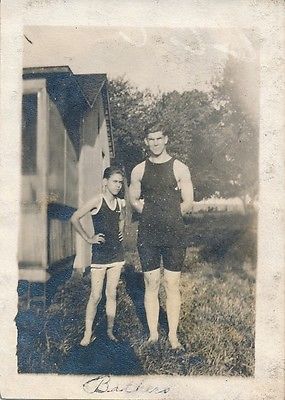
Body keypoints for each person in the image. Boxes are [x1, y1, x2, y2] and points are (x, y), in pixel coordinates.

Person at [129, 126, 193, 349]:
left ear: (166, 139)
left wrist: (171, 217)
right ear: (146, 141)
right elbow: (134, 199)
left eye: (159, 138)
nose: (155, 143)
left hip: (174, 233)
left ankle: (173, 336)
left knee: (172, 283)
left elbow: (188, 202)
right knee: (151, 282)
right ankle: (154, 334)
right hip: (148, 234)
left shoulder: (179, 167)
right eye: (151, 139)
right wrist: (148, 213)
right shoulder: (138, 170)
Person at [71, 166, 126, 346]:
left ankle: (110, 331)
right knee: (96, 296)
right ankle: (87, 333)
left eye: (120, 182)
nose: (118, 185)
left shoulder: (120, 203)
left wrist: (121, 231)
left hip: (117, 255)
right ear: (105, 182)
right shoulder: (97, 201)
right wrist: (88, 238)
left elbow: (122, 218)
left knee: (111, 293)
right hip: (100, 256)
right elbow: (74, 218)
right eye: (114, 181)